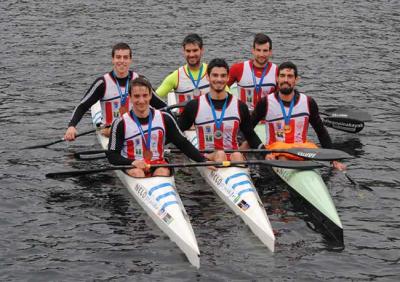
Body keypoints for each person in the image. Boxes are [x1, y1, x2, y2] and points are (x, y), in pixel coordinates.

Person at [250, 61, 346, 170]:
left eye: (290, 76)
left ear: (296, 80)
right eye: (282, 76)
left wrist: (334, 160)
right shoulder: (265, 102)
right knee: (283, 157)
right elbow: (248, 130)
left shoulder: (308, 102)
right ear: (277, 79)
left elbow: (321, 132)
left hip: (301, 151)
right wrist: (264, 152)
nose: (285, 80)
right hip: (277, 153)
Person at [107, 77, 209, 177]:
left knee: (162, 172)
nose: (141, 101)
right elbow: (112, 155)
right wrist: (133, 162)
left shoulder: (165, 118)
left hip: (158, 163)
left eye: (145, 95)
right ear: (130, 97)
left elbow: (183, 143)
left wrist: (203, 160)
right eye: (137, 96)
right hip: (133, 165)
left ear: (151, 95)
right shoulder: (120, 123)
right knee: (138, 173)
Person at [64, 42, 166, 141]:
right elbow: (83, 106)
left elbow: (160, 105)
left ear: (130, 60)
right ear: (113, 59)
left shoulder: (140, 81)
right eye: (118, 57)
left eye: (125, 57)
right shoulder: (102, 83)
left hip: (136, 130)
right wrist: (72, 126)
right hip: (110, 131)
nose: (122, 61)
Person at [178, 58, 264, 162]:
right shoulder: (194, 106)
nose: (219, 79)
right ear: (207, 77)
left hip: (233, 155)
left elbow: (250, 135)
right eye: (215, 75)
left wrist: (266, 153)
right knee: (220, 154)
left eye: (223, 76)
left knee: (236, 155)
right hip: (207, 157)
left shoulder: (240, 106)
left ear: (228, 78)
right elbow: (176, 135)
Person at [228, 33, 278, 111]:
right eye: (258, 50)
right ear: (253, 51)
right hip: (245, 117)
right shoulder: (238, 69)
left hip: (267, 117)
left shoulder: (277, 71)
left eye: (265, 51)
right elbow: (221, 87)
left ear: (270, 52)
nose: (261, 54)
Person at [155, 34, 209, 104]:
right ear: (183, 51)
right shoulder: (176, 76)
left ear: (202, 50)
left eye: (195, 50)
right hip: (184, 115)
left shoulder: (212, 72)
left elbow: (227, 96)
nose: (191, 55)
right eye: (188, 51)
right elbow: (153, 98)